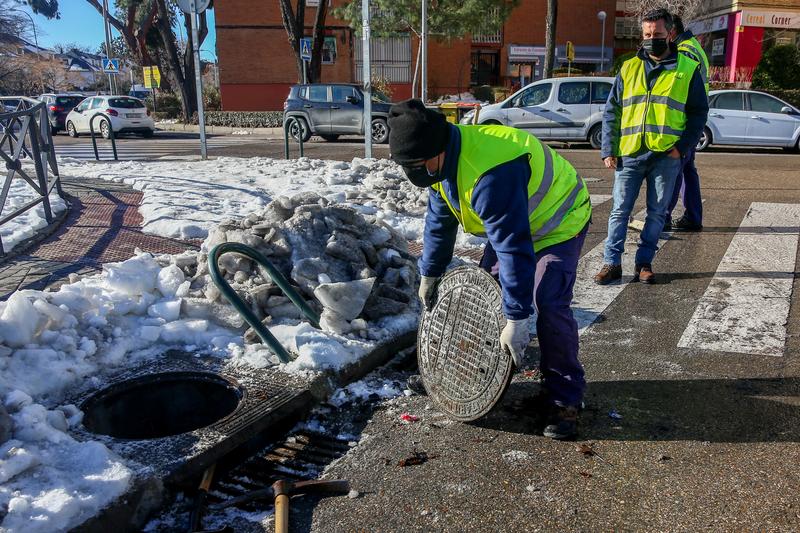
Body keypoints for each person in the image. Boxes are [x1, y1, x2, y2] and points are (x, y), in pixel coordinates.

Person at [388, 99, 592, 440]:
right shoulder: (438, 164)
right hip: (515, 222)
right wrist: (430, 272)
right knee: (480, 302)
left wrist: (516, 318)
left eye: (419, 164)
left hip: (558, 222)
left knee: (549, 303)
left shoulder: (489, 173)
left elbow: (514, 250)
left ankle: (564, 398)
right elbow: (439, 221)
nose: (416, 173)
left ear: (436, 151)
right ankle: (463, 375)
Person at [595, 8, 708, 285]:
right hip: (630, 153)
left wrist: (681, 148)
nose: (651, 39)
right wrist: (608, 149)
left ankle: (643, 262)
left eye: (656, 34)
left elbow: (698, 113)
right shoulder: (629, 67)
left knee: (656, 213)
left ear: (669, 34)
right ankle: (612, 263)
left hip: (665, 155)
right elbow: (613, 111)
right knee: (620, 211)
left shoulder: (686, 69)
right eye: (646, 34)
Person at [664, 15, 709, 232]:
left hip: (683, 122)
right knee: (687, 171)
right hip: (691, 120)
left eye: (661, 33)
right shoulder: (694, 46)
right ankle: (693, 216)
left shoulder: (683, 52)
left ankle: (662, 217)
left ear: (671, 32)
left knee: (674, 170)